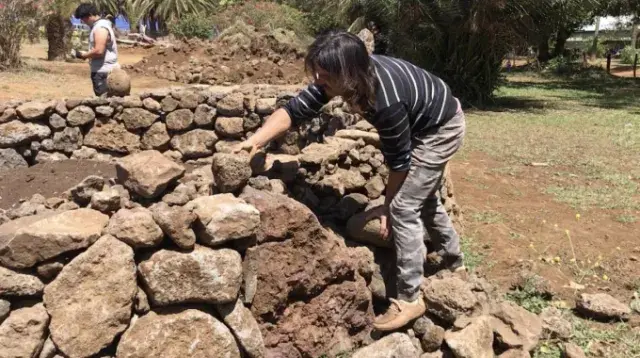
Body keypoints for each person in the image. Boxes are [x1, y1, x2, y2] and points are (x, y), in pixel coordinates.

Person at [235, 30, 466, 332]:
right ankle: (455, 263)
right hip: (425, 119)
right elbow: (293, 110)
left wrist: (387, 206)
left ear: (349, 72)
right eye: (316, 70)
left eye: (325, 73)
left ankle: (410, 298)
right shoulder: (342, 78)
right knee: (425, 197)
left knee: (404, 206)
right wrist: (254, 141)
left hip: (440, 129)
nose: (318, 78)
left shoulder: (386, 100)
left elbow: (400, 163)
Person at [72, 3, 120, 97]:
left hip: (103, 73)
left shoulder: (100, 28)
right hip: (104, 71)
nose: (82, 21)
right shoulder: (100, 25)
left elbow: (99, 51)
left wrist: (82, 55)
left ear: (90, 14)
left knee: (105, 105)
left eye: (83, 18)